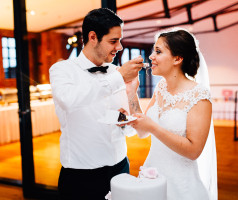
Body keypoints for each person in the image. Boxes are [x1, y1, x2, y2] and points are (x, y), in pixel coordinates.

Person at [49, 8, 143, 200]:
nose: (120, 47)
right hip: (80, 177)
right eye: (113, 41)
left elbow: (133, 131)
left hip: (121, 169)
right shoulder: (62, 70)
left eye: (120, 40)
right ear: (93, 37)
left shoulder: (117, 73)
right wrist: (118, 79)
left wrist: (130, 100)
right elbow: (69, 100)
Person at [125, 28, 218, 200]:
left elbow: (193, 151)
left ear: (178, 58)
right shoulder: (161, 88)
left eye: (158, 52)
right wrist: (132, 92)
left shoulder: (199, 96)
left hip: (181, 186)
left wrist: (152, 127)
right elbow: (143, 131)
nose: (151, 56)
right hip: (152, 175)